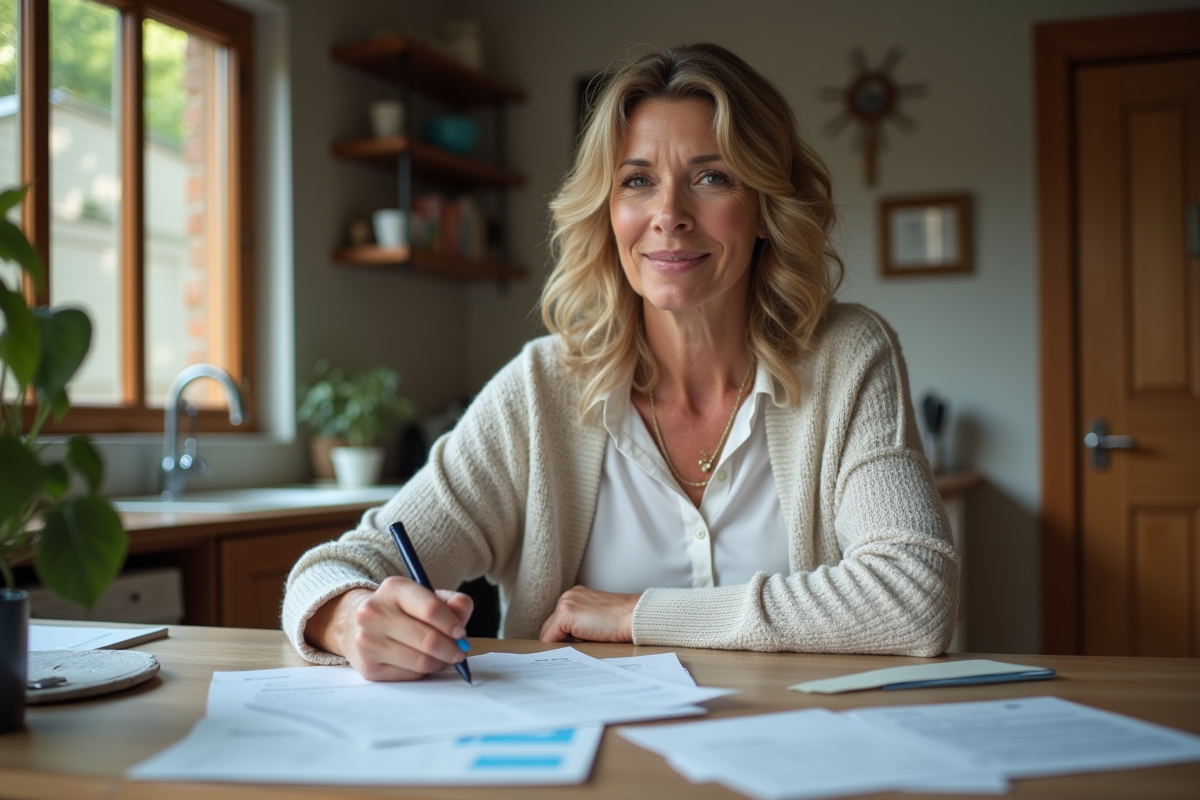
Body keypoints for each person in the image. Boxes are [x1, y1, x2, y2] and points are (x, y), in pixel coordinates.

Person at [283, 42, 959, 681]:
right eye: (637, 181)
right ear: (608, 212)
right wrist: (346, 620)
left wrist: (637, 614)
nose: (669, 213)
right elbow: (342, 565)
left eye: (712, 177)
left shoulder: (847, 355)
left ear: (764, 209)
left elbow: (915, 596)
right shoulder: (543, 387)